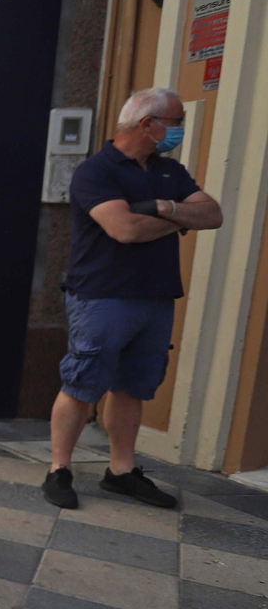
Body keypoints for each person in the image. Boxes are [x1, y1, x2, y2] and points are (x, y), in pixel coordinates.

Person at [43, 87, 223, 510]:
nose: (179, 129)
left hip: (155, 297)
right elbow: (124, 230)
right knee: (83, 382)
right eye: (176, 122)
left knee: (133, 387)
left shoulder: (169, 172)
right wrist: (180, 220)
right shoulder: (97, 171)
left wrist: (161, 207)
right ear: (149, 124)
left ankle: (121, 472)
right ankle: (59, 469)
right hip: (101, 296)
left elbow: (212, 214)